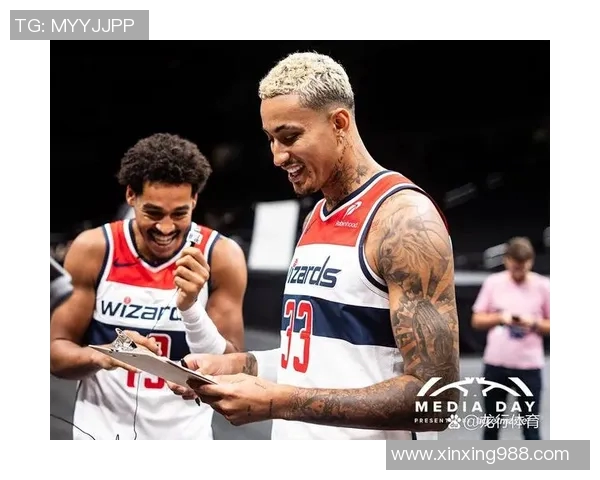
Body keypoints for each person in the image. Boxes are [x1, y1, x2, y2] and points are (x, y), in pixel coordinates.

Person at [170, 52, 460, 440]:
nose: (277, 156)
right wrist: (240, 365)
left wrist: (279, 403)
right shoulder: (316, 217)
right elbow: (317, 361)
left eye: (290, 137)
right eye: (271, 139)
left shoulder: (404, 218)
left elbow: (437, 401)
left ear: (339, 123)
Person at [50, 133, 248, 440]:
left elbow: (235, 367)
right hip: (101, 435)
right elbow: (55, 354)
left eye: (180, 213)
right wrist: (105, 355)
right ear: (131, 196)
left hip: (185, 439)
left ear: (194, 200)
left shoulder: (221, 256)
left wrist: (192, 309)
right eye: (153, 213)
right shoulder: (95, 249)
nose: (166, 227)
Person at [471, 236, 550, 440]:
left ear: (531, 262)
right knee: (491, 426)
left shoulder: (543, 286)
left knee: (531, 428)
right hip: (496, 365)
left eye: (523, 267)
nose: (519, 272)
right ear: (506, 261)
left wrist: (533, 322)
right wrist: (500, 317)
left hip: (529, 367)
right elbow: (476, 320)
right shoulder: (493, 283)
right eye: (515, 267)